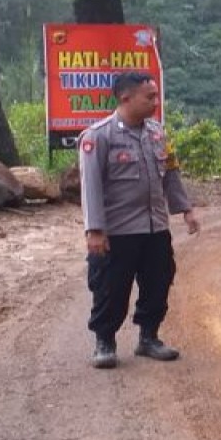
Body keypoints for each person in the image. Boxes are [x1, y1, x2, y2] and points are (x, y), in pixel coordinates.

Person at [78, 71, 200, 369]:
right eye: (150, 97)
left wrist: (186, 209)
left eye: (156, 96)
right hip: (118, 231)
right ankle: (104, 342)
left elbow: (170, 174)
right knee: (111, 288)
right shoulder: (98, 136)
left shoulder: (158, 134)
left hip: (155, 227)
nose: (156, 102)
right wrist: (95, 230)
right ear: (125, 98)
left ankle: (149, 337)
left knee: (159, 281)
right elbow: (90, 185)